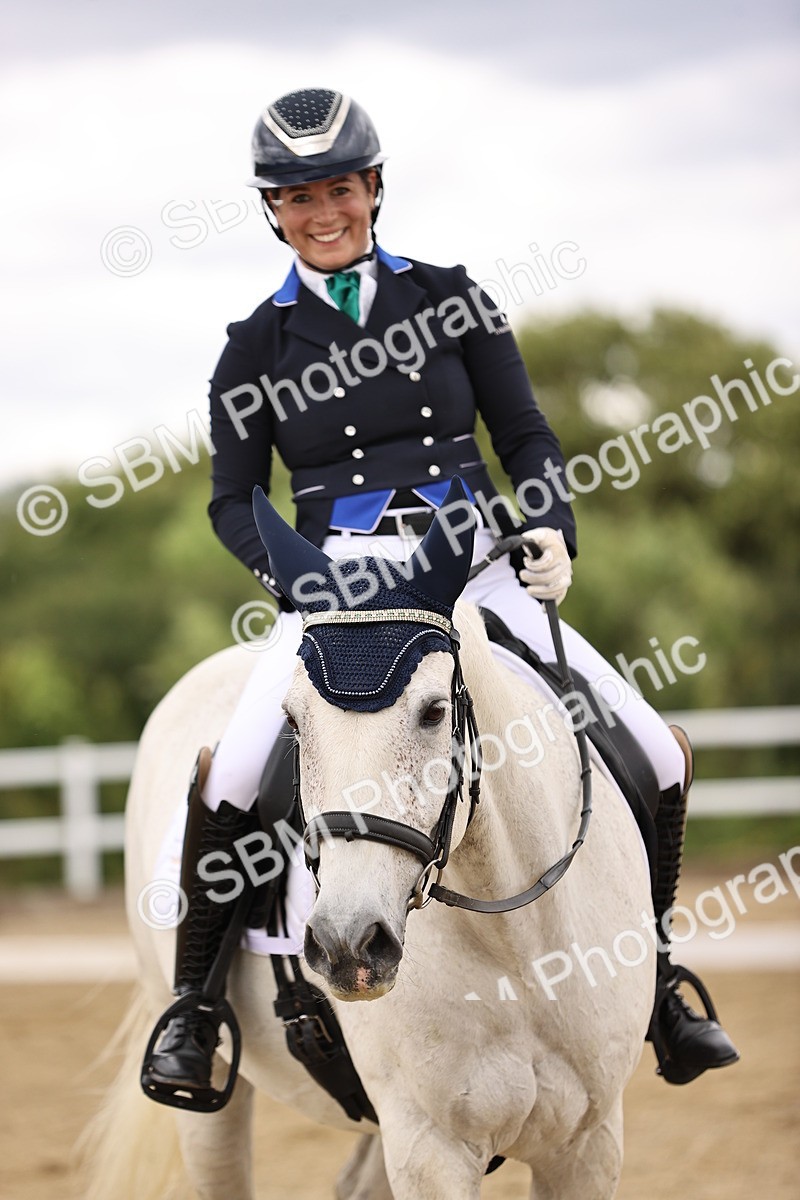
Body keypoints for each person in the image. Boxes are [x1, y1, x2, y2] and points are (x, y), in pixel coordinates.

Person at [142, 87, 738, 1108]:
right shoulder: (254, 345)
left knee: (647, 741)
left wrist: (551, 529)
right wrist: (293, 575)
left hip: (472, 565)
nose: (321, 212)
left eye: (338, 188)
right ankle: (195, 1008)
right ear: (270, 210)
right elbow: (231, 499)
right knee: (233, 770)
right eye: (295, 196)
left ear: (373, 188)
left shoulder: (451, 299)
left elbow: (527, 440)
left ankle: (654, 981)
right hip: (337, 588)